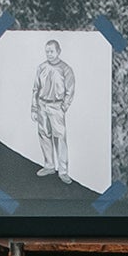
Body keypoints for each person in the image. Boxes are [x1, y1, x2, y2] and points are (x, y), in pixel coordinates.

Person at [33, 39, 77, 182]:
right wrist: (34, 108)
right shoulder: (41, 67)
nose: (49, 54)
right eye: (47, 51)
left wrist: (64, 106)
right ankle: (49, 166)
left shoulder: (66, 69)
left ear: (58, 51)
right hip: (42, 105)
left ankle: (63, 171)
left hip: (56, 106)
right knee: (44, 135)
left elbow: (70, 90)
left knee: (60, 138)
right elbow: (36, 88)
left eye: (52, 51)